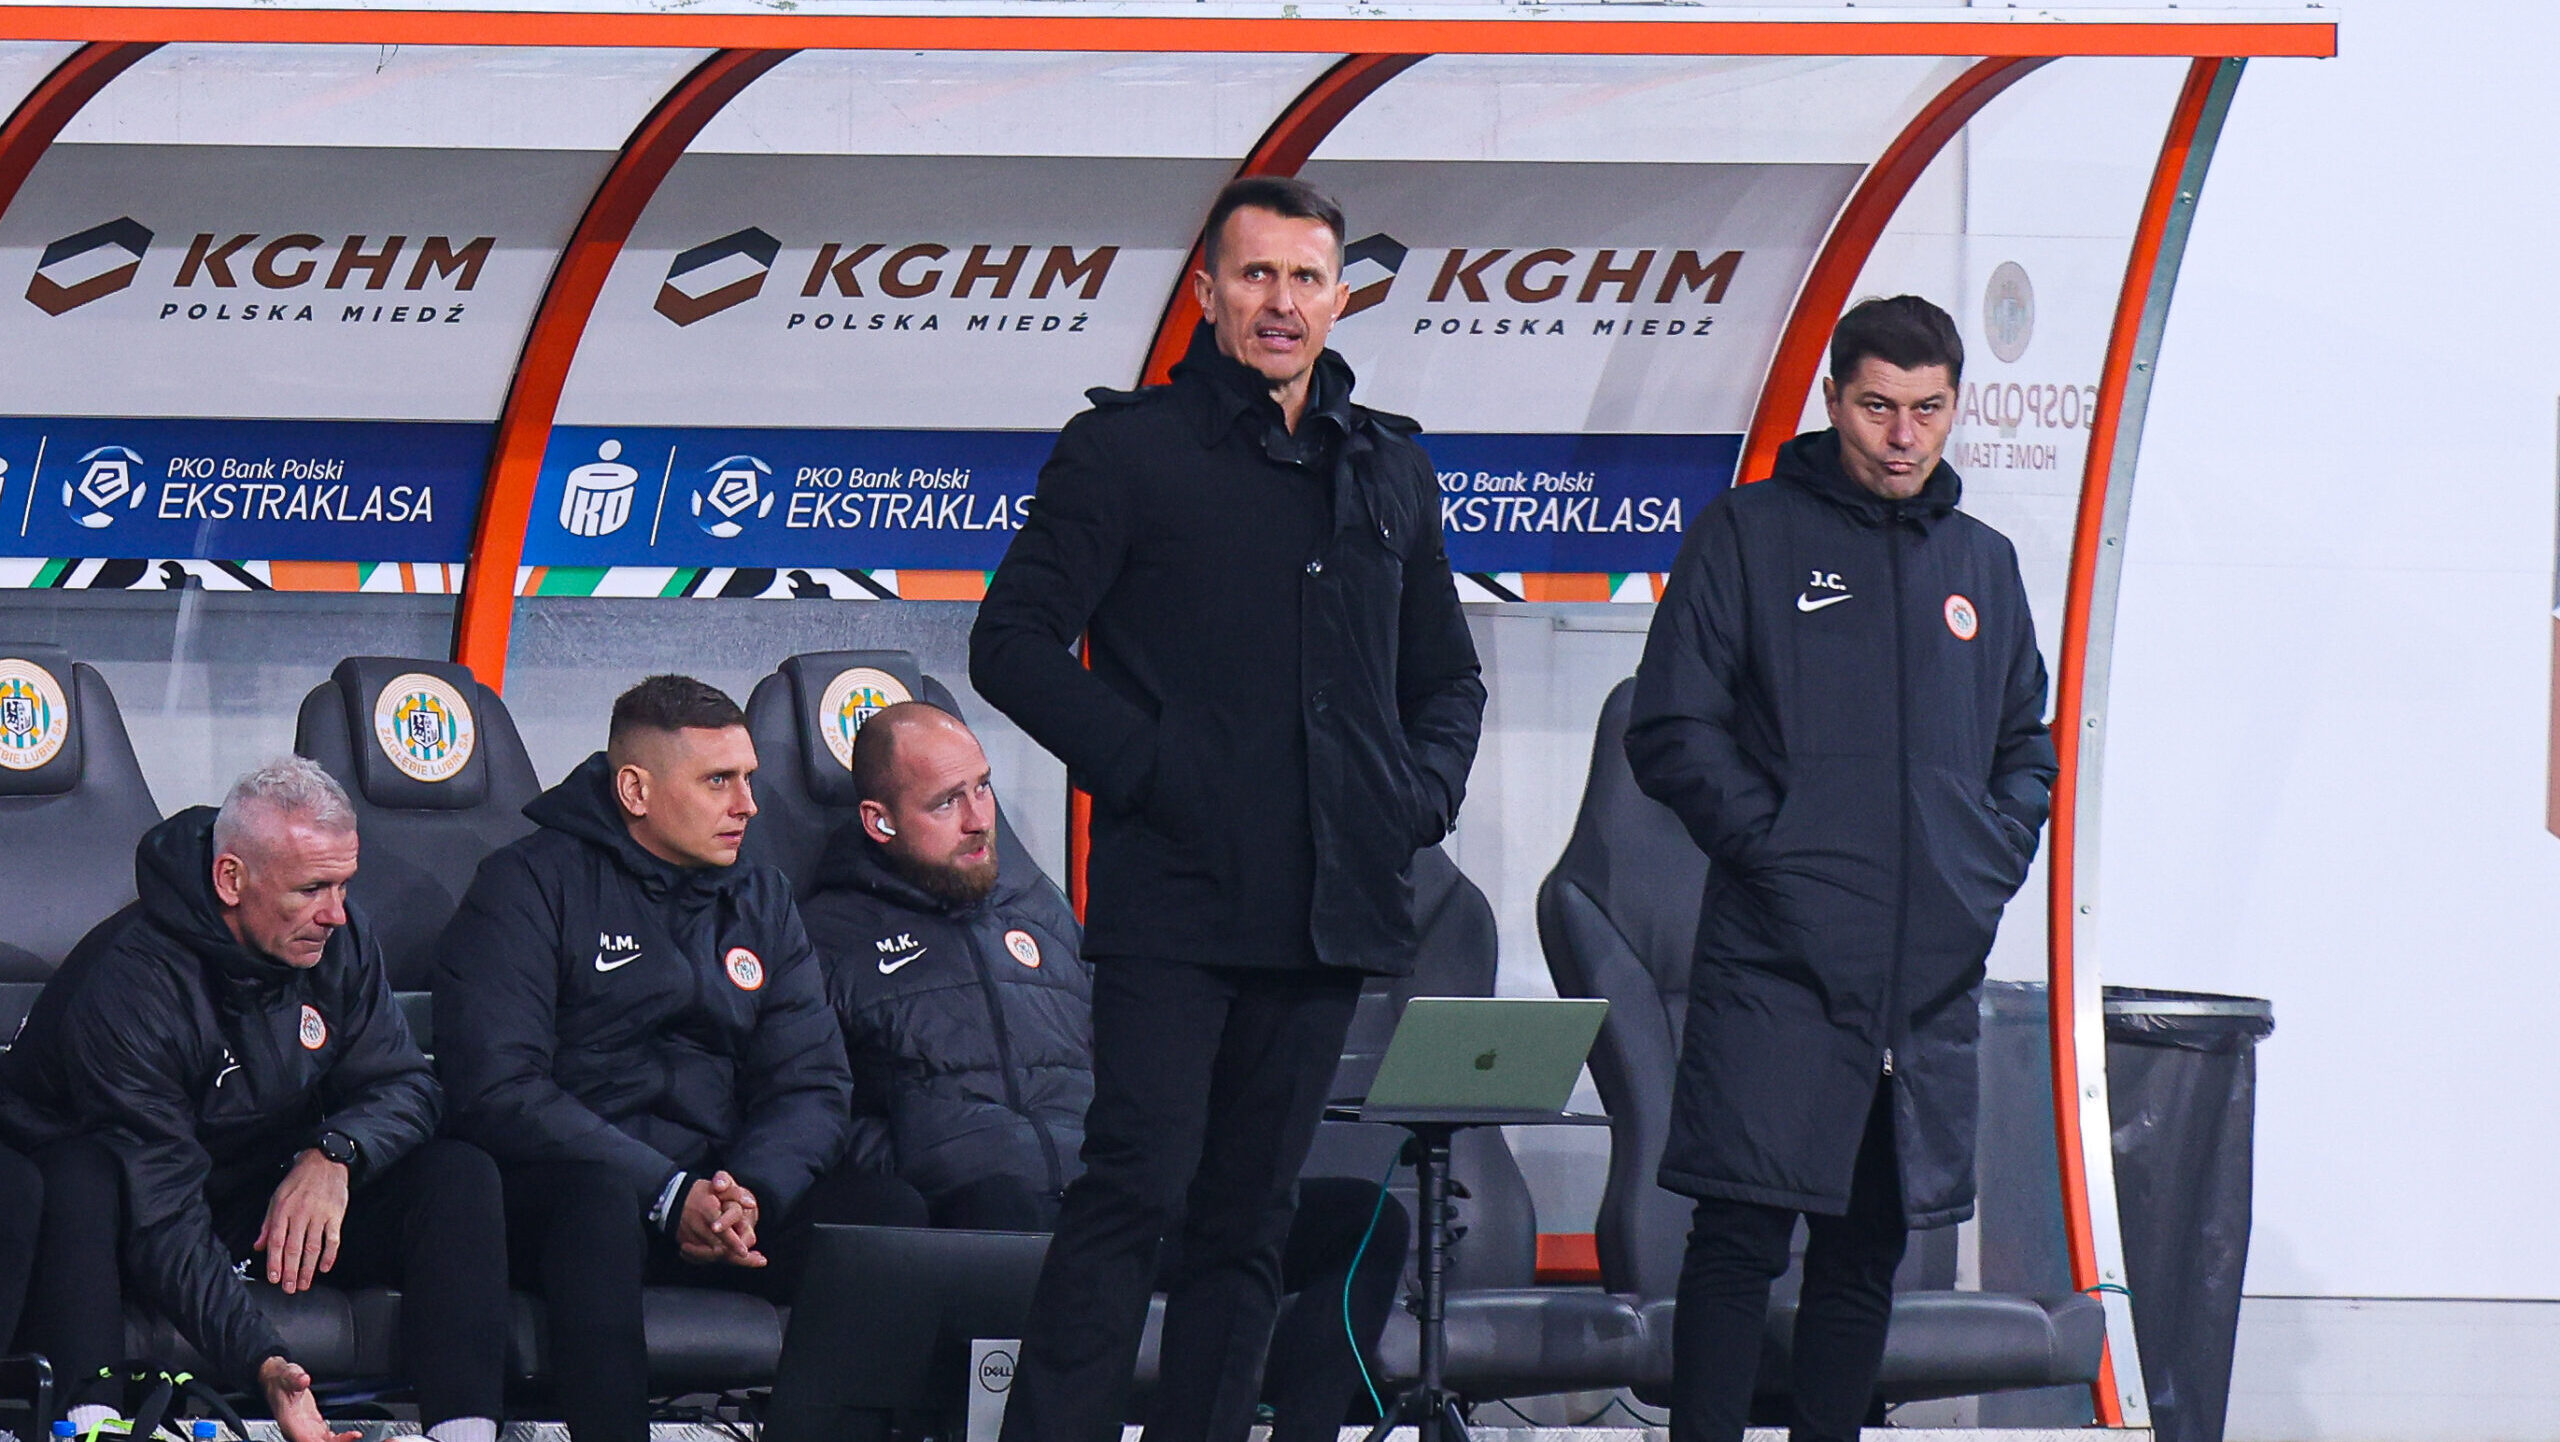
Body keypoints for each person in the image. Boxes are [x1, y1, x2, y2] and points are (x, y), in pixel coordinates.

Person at [970, 173, 1483, 1442]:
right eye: (1254, 275)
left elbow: (1447, 678)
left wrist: (1404, 804)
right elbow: (1013, 642)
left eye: (1305, 278)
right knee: (1132, 1189)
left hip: (1327, 909)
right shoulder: (1127, 451)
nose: (1280, 302)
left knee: (1252, 1215)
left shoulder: (1389, 466)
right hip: (1177, 901)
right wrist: (1153, 772)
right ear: (1205, 293)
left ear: (1341, 294)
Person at [1624, 295, 2059, 1442]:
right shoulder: (1747, 534)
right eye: (1877, 407)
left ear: (1956, 406)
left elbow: (2028, 746)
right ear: (1832, 401)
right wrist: (1782, 853)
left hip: (1921, 990)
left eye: (1926, 409)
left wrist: (1982, 868)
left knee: (1867, 1251)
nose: (1902, 435)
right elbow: (1671, 727)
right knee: (1738, 1244)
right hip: (1778, 962)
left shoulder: (1985, 563)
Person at [800, 702, 1409, 1442]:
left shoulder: (1045, 914)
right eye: (946, 801)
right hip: (977, 1215)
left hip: (1111, 1206)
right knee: (1002, 1209)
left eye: (983, 788)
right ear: (879, 821)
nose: (977, 819)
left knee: (1363, 1220)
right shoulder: (823, 938)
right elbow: (812, 1109)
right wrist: (934, 1154)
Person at [432, 673, 925, 1442]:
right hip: (580, 1200)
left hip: (721, 1201)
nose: (748, 805)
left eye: (750, 778)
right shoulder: (527, 885)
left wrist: (750, 1193)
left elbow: (813, 1082)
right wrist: (665, 1190)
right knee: (594, 1210)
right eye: (719, 781)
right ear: (635, 789)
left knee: (887, 1216)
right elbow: (498, 1086)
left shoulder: (760, 899)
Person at [0, 758, 507, 1442]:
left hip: (257, 1200)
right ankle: (92, 1424)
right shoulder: (133, 985)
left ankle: (466, 1433)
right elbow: (162, 1207)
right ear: (231, 879)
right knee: (79, 1177)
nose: (336, 913)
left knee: (456, 1172)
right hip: (126, 1218)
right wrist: (265, 1360)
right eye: (312, 889)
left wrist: (335, 1154)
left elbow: (406, 1084)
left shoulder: (337, 940)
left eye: (345, 885)